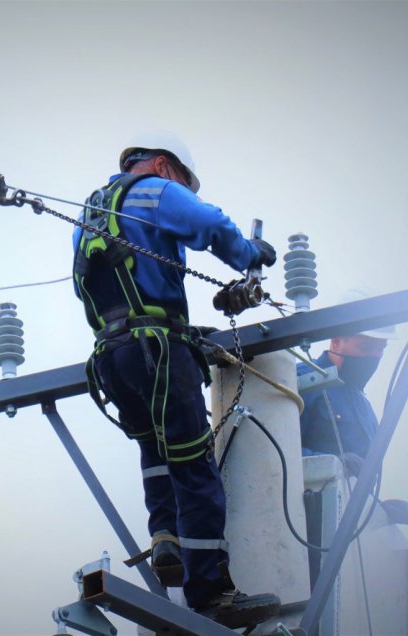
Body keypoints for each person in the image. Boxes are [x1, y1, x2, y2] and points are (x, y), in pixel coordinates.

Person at [72, 131, 280, 628]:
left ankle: (165, 536)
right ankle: (211, 595)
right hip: (159, 352)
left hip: (113, 356)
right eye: (186, 182)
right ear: (165, 166)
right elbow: (209, 223)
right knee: (193, 465)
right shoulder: (154, 190)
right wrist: (251, 253)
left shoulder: (89, 213)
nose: (186, 191)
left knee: (155, 450)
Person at [298, 304, 408, 529]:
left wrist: (378, 509)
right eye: (366, 347)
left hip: (342, 536)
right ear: (336, 341)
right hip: (303, 525)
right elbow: (271, 455)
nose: (374, 357)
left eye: (380, 350)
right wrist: (334, 463)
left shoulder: (363, 406)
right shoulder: (302, 380)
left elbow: (356, 479)